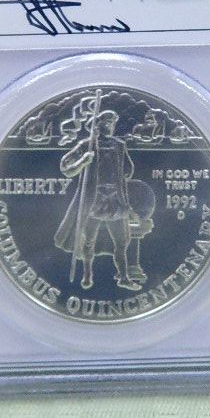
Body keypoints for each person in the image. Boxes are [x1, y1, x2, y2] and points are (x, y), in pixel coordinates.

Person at [54, 110, 141, 291]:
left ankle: (123, 277)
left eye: (113, 123)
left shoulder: (119, 145)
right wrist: (83, 162)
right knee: (88, 241)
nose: (111, 126)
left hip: (116, 202)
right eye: (107, 123)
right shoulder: (86, 145)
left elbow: (127, 171)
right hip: (94, 201)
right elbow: (65, 167)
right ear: (98, 124)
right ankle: (87, 274)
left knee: (122, 243)